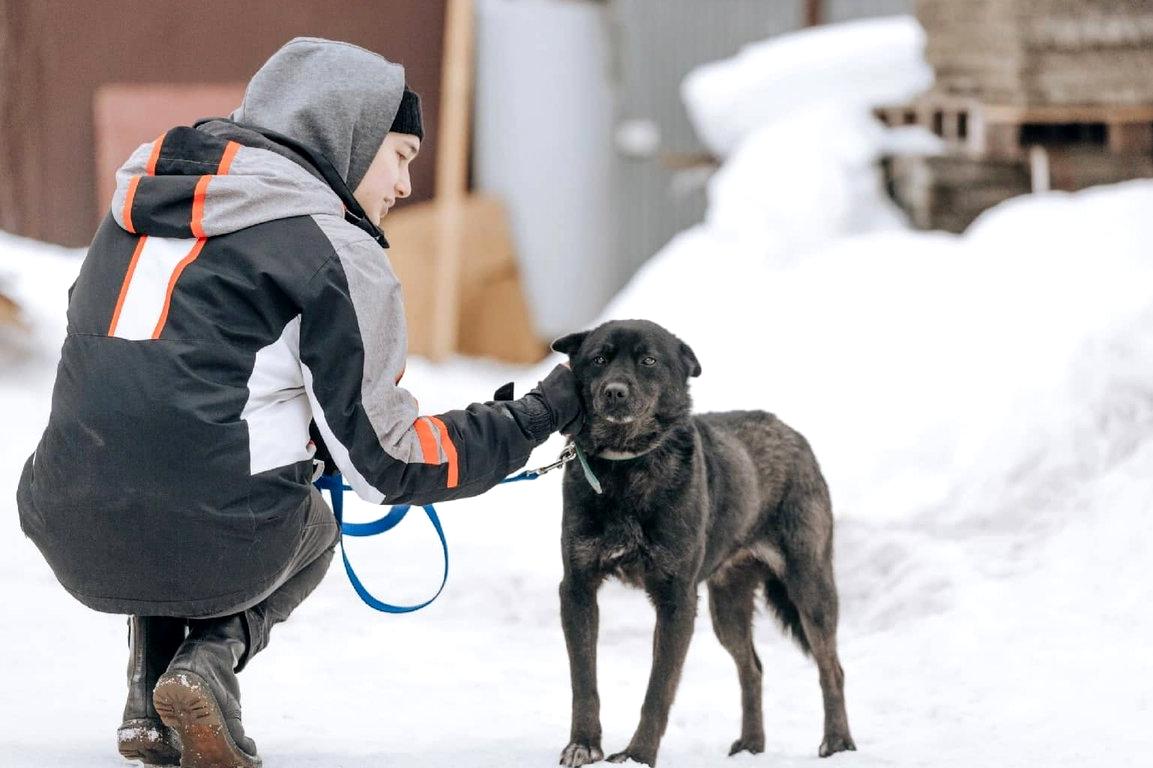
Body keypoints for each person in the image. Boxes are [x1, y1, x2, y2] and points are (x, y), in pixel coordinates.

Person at [16, 37, 582, 768]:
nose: (408, 185)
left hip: (65, 522)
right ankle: (206, 662)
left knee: (164, 460)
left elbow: (143, 388)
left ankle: (146, 700)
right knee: (301, 519)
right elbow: (390, 463)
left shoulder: (133, 210)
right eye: (402, 156)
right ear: (346, 137)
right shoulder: (330, 251)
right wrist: (531, 417)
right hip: (216, 541)